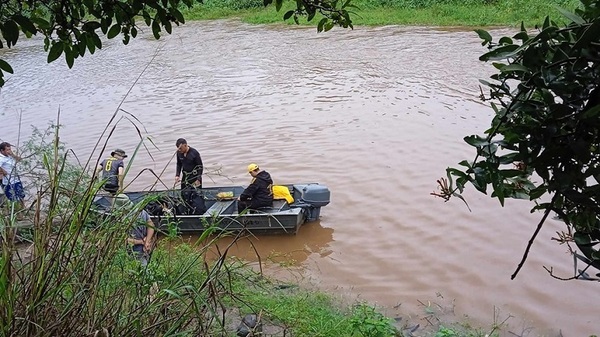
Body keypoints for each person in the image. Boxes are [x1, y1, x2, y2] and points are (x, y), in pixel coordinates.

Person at [114, 193, 155, 267]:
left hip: (133, 252)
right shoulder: (140, 212)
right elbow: (151, 225)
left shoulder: (123, 220)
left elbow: (123, 239)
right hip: (146, 248)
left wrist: (142, 242)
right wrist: (147, 241)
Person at [175, 138, 206, 214]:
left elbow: (200, 166)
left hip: (195, 177)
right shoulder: (179, 153)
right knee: (184, 194)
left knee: (196, 195)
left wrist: (198, 179)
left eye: (181, 148)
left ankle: (198, 211)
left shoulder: (194, 153)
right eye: (178, 149)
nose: (180, 150)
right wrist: (177, 175)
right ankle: (186, 211)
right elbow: (179, 164)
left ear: (185, 145)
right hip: (185, 177)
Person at [0, 142, 25, 210]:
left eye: (10, 149)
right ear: (2, 150)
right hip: (8, 181)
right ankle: (16, 212)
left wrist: (13, 155)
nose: (9, 151)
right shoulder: (1, 158)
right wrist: (3, 171)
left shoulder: (10, 156)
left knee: (21, 195)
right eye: (7, 150)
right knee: (13, 198)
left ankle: (23, 209)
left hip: (16, 179)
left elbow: (20, 160)